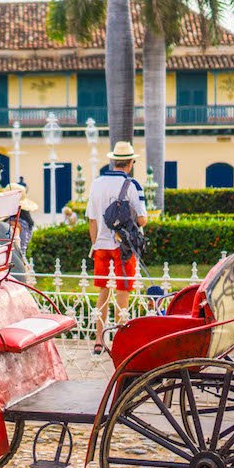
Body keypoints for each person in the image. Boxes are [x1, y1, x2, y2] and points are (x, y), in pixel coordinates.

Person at [85, 141, 148, 355]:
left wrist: (95, 244)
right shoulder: (132, 185)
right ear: (130, 163)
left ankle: (99, 339)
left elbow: (92, 220)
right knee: (123, 292)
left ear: (113, 161)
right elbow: (142, 219)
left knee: (103, 292)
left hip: (101, 246)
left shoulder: (96, 184)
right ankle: (122, 339)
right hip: (124, 247)